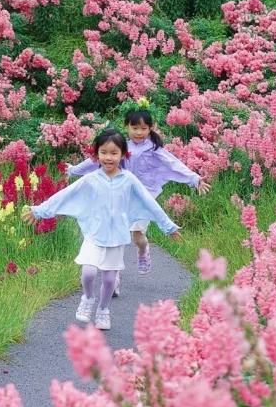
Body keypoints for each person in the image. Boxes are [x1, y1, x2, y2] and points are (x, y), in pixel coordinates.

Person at [22, 128, 180, 330]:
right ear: (96, 154)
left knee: (109, 279)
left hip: (117, 237)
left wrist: (167, 225)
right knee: (88, 272)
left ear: (123, 154)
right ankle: (88, 298)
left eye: (114, 153)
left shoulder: (129, 180)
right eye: (103, 152)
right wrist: (39, 211)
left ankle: (103, 310)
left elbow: (149, 203)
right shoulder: (91, 179)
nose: (108, 157)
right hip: (94, 234)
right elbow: (66, 195)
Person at [67, 106, 209, 274]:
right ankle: (114, 275)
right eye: (135, 128)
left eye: (143, 128)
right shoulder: (122, 147)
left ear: (150, 128)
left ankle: (143, 249)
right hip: (123, 194)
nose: (139, 132)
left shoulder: (154, 149)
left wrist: (194, 179)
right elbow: (97, 159)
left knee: (137, 236)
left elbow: (173, 164)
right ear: (126, 127)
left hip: (144, 196)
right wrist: (73, 170)